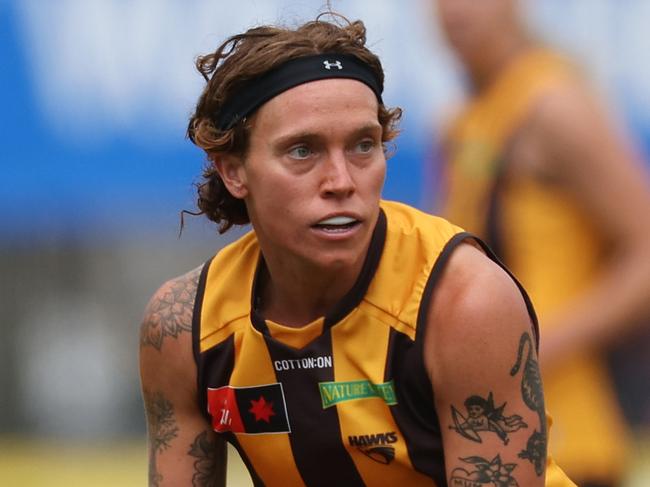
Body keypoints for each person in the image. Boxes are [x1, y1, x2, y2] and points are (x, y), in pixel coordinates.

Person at [139, 13, 575, 487]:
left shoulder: (463, 301)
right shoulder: (185, 329)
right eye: (302, 151)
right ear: (233, 171)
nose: (342, 182)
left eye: (363, 146)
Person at [433, 1, 650, 486]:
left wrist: (535, 348)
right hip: (487, 427)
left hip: (572, 431)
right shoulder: (463, 118)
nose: (455, 10)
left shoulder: (554, 104)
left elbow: (646, 252)